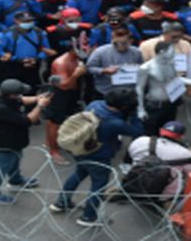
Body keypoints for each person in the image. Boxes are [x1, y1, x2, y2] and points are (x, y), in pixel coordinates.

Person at [50, 87, 142, 228]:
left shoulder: (95, 105)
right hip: (99, 156)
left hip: (80, 150)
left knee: (78, 175)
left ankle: (61, 202)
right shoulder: (114, 123)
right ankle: (88, 217)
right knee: (98, 186)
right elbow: (137, 131)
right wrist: (135, 114)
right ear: (124, 106)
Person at [0, 79, 51, 205]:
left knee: (15, 158)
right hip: (4, 140)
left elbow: (21, 99)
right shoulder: (0, 107)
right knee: (2, 166)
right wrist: (40, 105)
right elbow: (28, 120)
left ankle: (15, 181)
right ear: (11, 95)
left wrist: (37, 98)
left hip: (15, 137)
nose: (20, 95)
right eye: (18, 93)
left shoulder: (0, 93)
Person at [125, 120, 191, 203]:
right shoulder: (186, 153)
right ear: (181, 136)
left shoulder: (140, 141)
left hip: (135, 184)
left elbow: (131, 155)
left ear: (160, 131)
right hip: (163, 195)